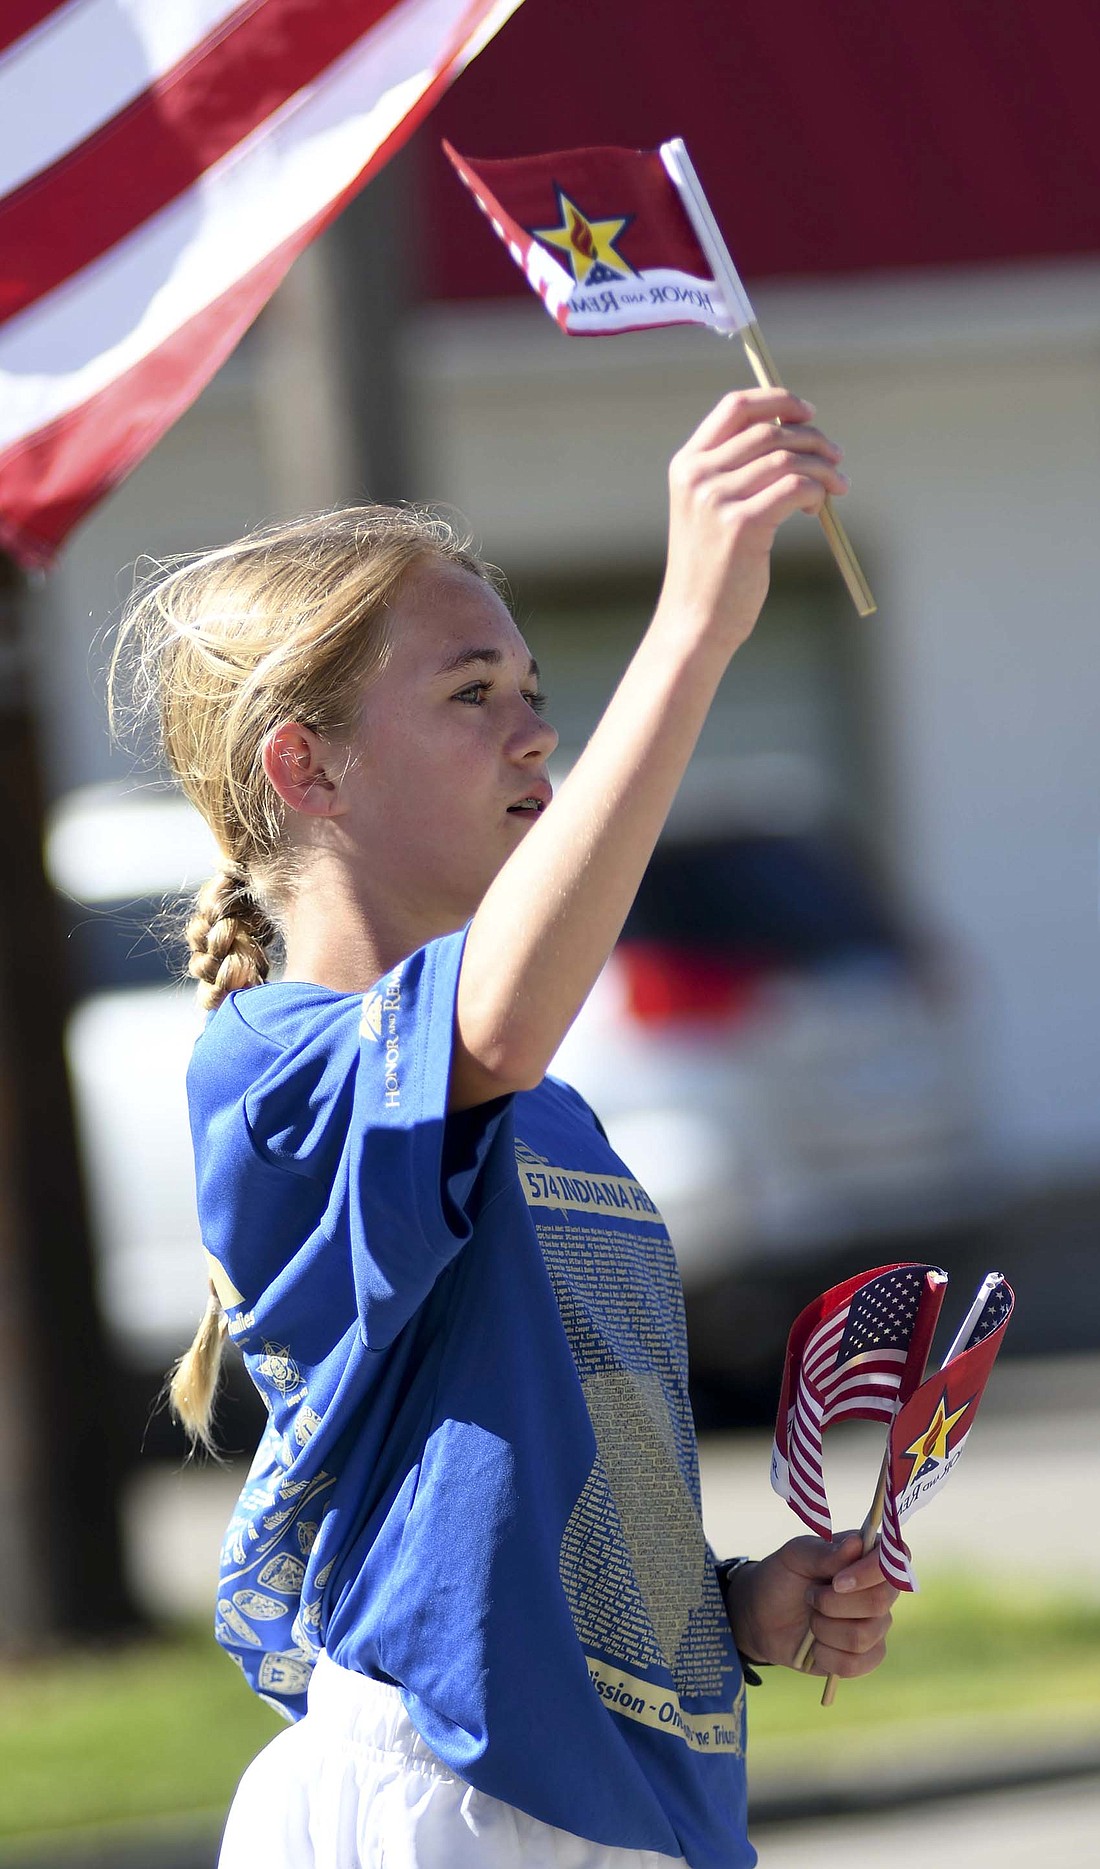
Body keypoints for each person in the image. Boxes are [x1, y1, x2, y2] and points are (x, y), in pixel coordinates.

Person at [114, 386, 895, 1869]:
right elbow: (487, 1021)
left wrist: (731, 1607)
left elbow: (550, 1485)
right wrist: (694, 627)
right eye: (474, 692)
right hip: (441, 1806)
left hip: (616, 1806)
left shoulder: (550, 1107)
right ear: (308, 766)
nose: (539, 731)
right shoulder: (270, 1061)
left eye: (532, 685)